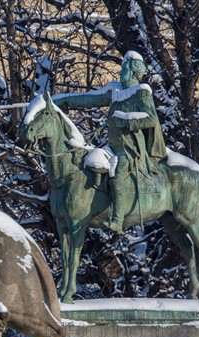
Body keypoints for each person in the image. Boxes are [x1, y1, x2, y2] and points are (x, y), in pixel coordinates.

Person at [52, 51, 166, 233]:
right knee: (90, 165)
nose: (121, 72)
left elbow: (151, 119)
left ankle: (117, 220)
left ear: (133, 71)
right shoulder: (115, 91)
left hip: (131, 150)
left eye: (124, 69)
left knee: (118, 171)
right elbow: (87, 99)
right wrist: (58, 101)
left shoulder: (141, 92)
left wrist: (126, 120)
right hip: (111, 146)